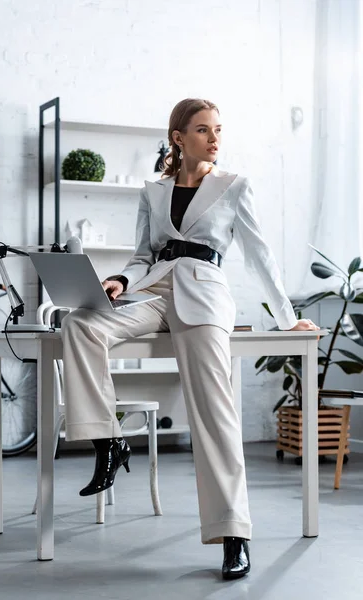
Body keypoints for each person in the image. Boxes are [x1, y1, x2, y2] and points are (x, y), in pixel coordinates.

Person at [61, 98, 320, 580]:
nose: (215, 138)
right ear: (179, 138)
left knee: (213, 410)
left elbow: (260, 255)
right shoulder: (152, 191)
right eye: (203, 130)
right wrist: (120, 279)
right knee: (80, 323)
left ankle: (234, 533)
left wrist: (286, 320)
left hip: (204, 293)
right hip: (153, 290)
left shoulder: (234, 186)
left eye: (218, 129)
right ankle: (108, 440)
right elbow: (143, 254)